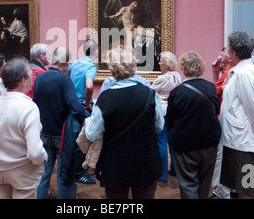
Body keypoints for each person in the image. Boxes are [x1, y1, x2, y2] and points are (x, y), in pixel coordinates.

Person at [85, 46, 164, 199]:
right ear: (133, 64)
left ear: (112, 68)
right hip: (145, 161)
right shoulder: (150, 94)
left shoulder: (105, 98)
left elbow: (92, 134)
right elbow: (159, 126)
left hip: (115, 164)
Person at [219, 31, 254, 199]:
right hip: (238, 140)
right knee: (246, 185)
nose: (227, 49)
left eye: (228, 47)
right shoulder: (242, 70)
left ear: (234, 52)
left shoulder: (244, 73)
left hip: (242, 141)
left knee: (246, 187)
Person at [0, 58, 47, 199]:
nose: (33, 78)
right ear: (23, 80)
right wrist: (43, 158)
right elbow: (35, 152)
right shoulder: (28, 107)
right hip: (23, 171)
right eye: (31, 75)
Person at [33, 46, 88, 199]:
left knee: (44, 174)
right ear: (65, 63)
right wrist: (84, 120)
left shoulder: (40, 78)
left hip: (44, 133)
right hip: (62, 136)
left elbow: (35, 103)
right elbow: (76, 107)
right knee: (65, 174)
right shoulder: (64, 79)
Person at [166, 51, 221, 199]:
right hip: (209, 142)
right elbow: (216, 110)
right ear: (201, 67)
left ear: (183, 68)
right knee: (204, 182)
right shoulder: (210, 88)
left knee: (188, 183)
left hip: (185, 144)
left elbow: (169, 120)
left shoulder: (177, 92)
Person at [68, 39, 98, 184]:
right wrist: (87, 101)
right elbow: (89, 85)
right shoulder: (90, 65)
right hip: (83, 106)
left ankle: (74, 170)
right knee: (83, 140)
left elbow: (67, 78)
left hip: (72, 105)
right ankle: (79, 173)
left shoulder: (75, 64)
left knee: (75, 139)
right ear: (95, 51)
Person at [150, 51, 182, 183]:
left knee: (161, 142)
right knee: (173, 142)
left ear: (167, 64)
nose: (159, 63)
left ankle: (162, 174)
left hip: (163, 112)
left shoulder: (162, 78)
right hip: (175, 112)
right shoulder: (178, 76)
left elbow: (149, 93)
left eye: (161, 60)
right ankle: (175, 169)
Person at [209, 47, 235, 199]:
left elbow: (213, 92)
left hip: (224, 119)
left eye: (222, 53)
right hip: (224, 118)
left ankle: (220, 193)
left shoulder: (229, 74)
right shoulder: (225, 73)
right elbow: (215, 92)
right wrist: (214, 71)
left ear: (231, 57)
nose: (219, 56)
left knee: (221, 157)